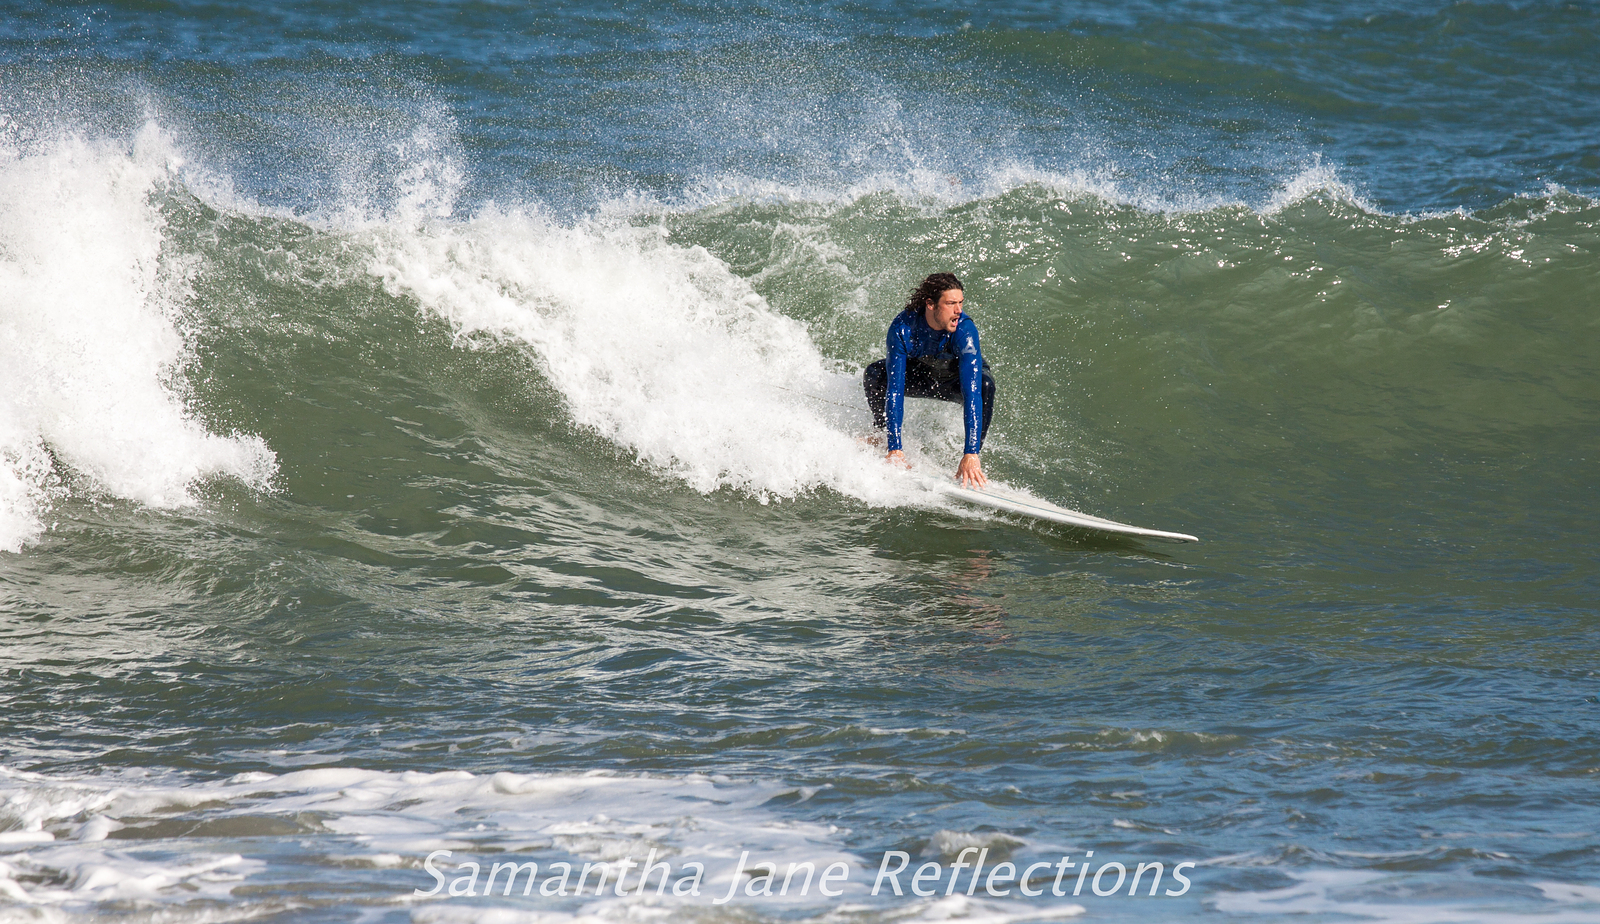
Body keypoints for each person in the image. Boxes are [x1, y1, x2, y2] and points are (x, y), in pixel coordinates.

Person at [863, 272, 995, 488]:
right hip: (922, 377)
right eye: (951, 303)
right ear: (931, 305)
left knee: (985, 385)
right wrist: (895, 448)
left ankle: (973, 458)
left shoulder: (965, 330)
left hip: (954, 383)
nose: (959, 310)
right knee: (875, 374)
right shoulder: (903, 328)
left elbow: (972, 393)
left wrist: (970, 451)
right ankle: (881, 435)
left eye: (961, 303)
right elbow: (895, 389)